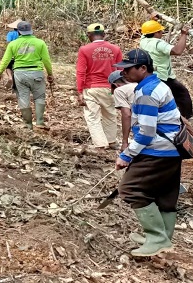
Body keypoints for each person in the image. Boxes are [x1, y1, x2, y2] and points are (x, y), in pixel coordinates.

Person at [113, 49, 182, 257]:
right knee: (165, 193)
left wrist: (126, 155)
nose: (124, 73)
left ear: (143, 68)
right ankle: (164, 236)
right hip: (172, 149)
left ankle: (157, 238)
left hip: (158, 151)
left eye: (128, 69)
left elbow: (146, 132)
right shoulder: (159, 85)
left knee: (130, 188)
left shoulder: (146, 93)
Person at [0, 21, 54, 130]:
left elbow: (5, 60)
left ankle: (28, 124)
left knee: (23, 98)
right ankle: (40, 122)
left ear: (19, 31)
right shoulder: (40, 43)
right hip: (37, 73)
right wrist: (50, 74)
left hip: (20, 74)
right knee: (39, 97)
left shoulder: (13, 44)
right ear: (30, 31)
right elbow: (46, 60)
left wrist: (0, 72)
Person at [76, 23, 123, 149]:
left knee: (92, 116)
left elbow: (81, 72)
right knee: (110, 114)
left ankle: (100, 144)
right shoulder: (115, 49)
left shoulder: (84, 50)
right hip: (110, 87)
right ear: (104, 34)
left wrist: (80, 92)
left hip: (91, 88)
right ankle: (111, 141)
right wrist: (119, 88)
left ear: (89, 35)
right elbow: (120, 71)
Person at [139, 18, 193, 119]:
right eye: (160, 31)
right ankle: (186, 118)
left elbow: (146, 31)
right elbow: (177, 51)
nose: (162, 33)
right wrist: (184, 34)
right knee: (182, 94)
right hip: (162, 76)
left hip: (152, 74)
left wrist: (153, 20)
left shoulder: (143, 40)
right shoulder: (158, 43)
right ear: (155, 33)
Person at [109, 70, 136, 153]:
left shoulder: (120, 90)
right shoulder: (143, 84)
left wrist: (125, 142)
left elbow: (126, 114)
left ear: (114, 85)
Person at [3, 19, 22, 88]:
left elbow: (8, 43)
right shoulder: (23, 35)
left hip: (12, 53)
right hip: (21, 54)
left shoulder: (10, 33)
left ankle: (10, 77)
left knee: (8, 67)